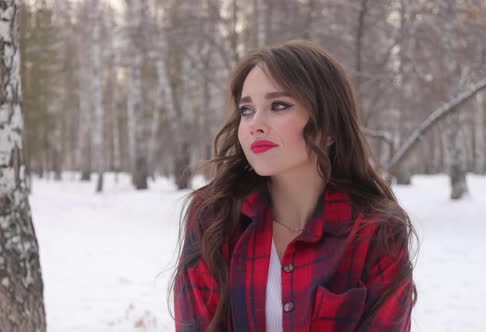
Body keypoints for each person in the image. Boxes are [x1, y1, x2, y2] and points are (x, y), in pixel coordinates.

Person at [171, 39, 417, 332]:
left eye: (278, 106)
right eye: (247, 110)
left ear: (327, 126)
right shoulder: (213, 217)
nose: (255, 124)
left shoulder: (376, 229)